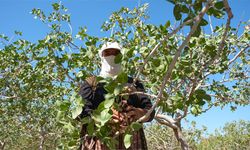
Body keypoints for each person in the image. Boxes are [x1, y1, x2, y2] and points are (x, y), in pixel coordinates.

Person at [78, 42, 155, 150]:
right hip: (99, 141)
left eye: (115, 53)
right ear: (102, 56)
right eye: (107, 53)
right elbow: (82, 112)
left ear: (121, 56)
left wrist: (137, 113)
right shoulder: (91, 83)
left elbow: (150, 111)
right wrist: (103, 118)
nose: (112, 56)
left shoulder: (134, 83)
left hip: (132, 141)